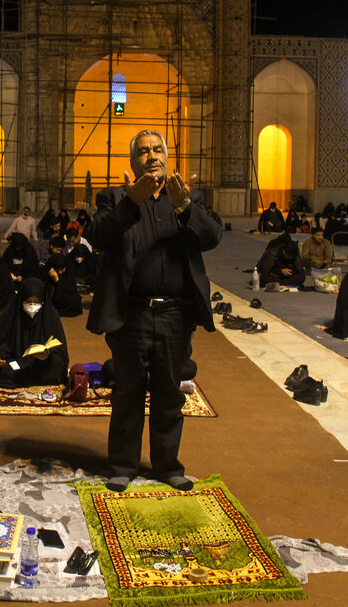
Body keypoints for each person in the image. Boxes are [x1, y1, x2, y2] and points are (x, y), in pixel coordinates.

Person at [86, 130, 221, 492]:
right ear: (133, 161)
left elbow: (211, 238)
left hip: (176, 316)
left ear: (168, 155)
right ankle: (122, 465)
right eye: (143, 151)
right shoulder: (115, 197)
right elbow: (99, 236)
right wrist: (131, 203)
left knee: (168, 393)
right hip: (131, 316)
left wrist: (185, 208)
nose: (151, 156)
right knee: (128, 392)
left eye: (157, 149)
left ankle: (167, 465)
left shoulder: (184, 198)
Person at [0, 277, 69, 388]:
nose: (32, 306)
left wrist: (47, 357)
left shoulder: (51, 315)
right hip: (14, 362)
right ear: (21, 300)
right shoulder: (11, 314)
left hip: (39, 364)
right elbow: (2, 346)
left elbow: (60, 353)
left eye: (36, 302)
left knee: (56, 366)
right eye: (28, 302)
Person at [44, 252, 83, 317]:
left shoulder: (69, 272)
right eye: (57, 270)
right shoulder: (47, 273)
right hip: (54, 302)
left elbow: (70, 290)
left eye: (62, 269)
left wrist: (57, 281)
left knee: (74, 300)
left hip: (65, 301)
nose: (60, 272)